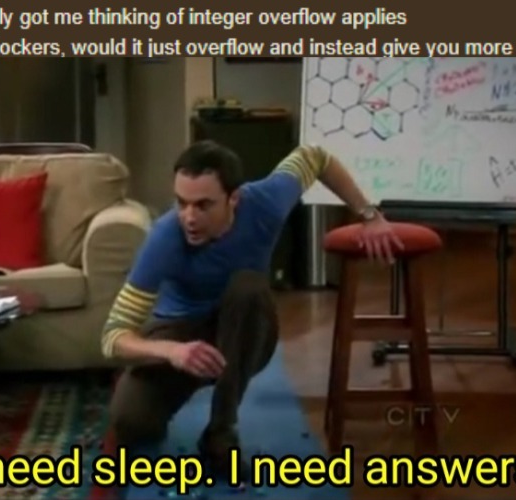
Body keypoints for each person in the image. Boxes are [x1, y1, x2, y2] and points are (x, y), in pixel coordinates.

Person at [101, 140, 402, 481]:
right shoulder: (164, 238)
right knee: (132, 423)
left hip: (244, 328)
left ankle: (221, 432)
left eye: (203, 205)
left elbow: (315, 157)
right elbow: (112, 336)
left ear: (234, 198)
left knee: (248, 286)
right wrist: (172, 351)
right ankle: (169, 389)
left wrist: (369, 215)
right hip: (181, 334)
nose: (189, 218)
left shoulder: (266, 201)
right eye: (181, 203)